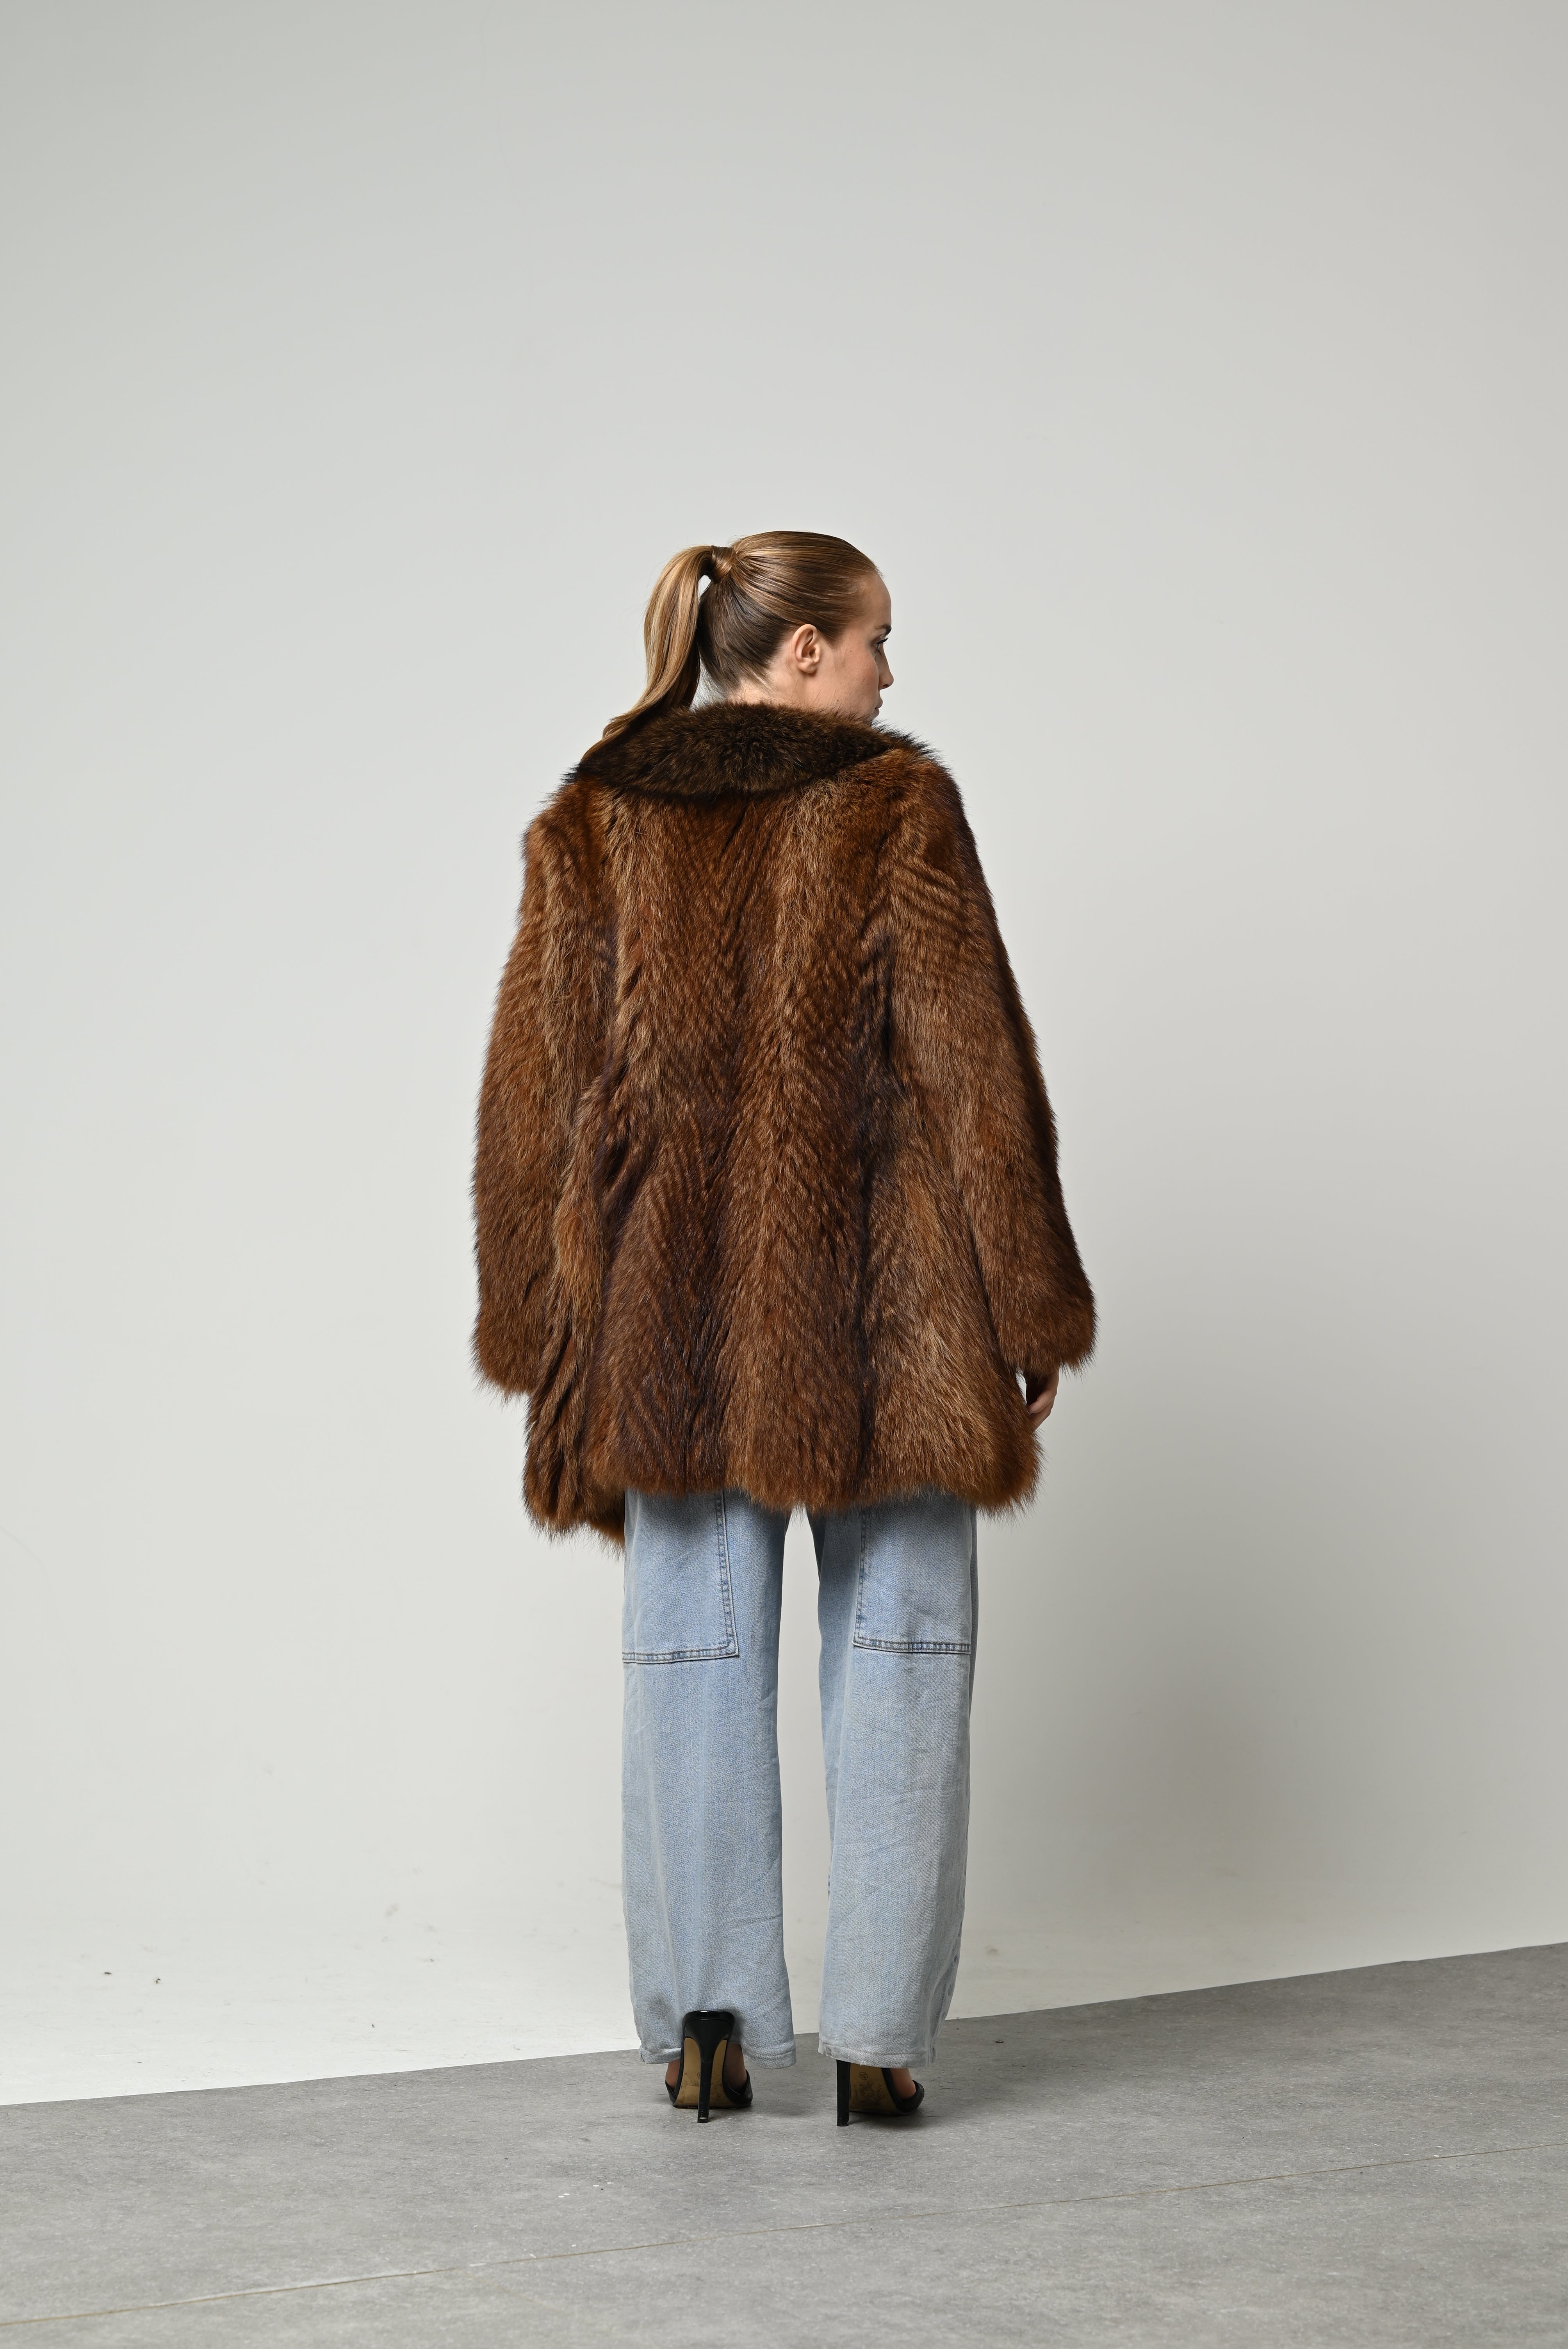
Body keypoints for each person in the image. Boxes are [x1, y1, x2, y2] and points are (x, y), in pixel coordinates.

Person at [473, 531, 1094, 2125]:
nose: (891, 671)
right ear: (803, 649)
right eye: (876, 638)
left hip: (666, 1327)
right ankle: (880, 2040)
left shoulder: (593, 819)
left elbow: (533, 1094)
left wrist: (537, 1330)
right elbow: (975, 1065)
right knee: (904, 1650)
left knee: (688, 1659)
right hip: (894, 1317)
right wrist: (1026, 1296)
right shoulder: (896, 805)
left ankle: (709, 2024)